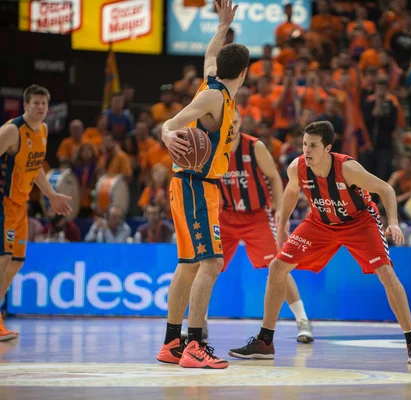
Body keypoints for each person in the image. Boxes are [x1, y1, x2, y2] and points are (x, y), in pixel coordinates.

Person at [228, 121, 411, 365]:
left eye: (313, 146)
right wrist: (282, 225)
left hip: (359, 222)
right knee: (277, 267)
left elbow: (385, 189)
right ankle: (265, 341)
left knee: (386, 273)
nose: (306, 150)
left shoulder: (348, 168)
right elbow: (292, 191)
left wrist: (394, 222)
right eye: (304, 144)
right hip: (320, 224)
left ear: (328, 148)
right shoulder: (297, 167)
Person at [156, 0, 250, 369]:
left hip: (193, 186)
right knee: (211, 263)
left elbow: (211, 54)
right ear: (243, 72)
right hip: (195, 185)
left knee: (188, 266)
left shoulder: (219, 85)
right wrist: (166, 134)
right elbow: (176, 120)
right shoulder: (214, 95)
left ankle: (171, 343)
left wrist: (222, 26)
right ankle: (195, 344)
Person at [217, 109, 313, 342]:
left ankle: (303, 321)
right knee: (206, 267)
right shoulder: (213, 147)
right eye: (227, 122)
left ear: (240, 123)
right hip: (226, 216)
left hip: (256, 216)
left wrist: (280, 209)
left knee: (278, 266)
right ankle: (198, 324)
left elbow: (274, 177)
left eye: (236, 121)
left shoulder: (255, 147)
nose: (232, 126)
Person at [0, 85, 72, 340]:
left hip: (21, 205)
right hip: (4, 203)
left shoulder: (42, 130)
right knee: (3, 259)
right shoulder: (11, 131)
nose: (41, 107)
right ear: (25, 105)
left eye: (44, 103)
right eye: (36, 103)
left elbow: (35, 167)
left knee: (17, 261)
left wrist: (52, 195)